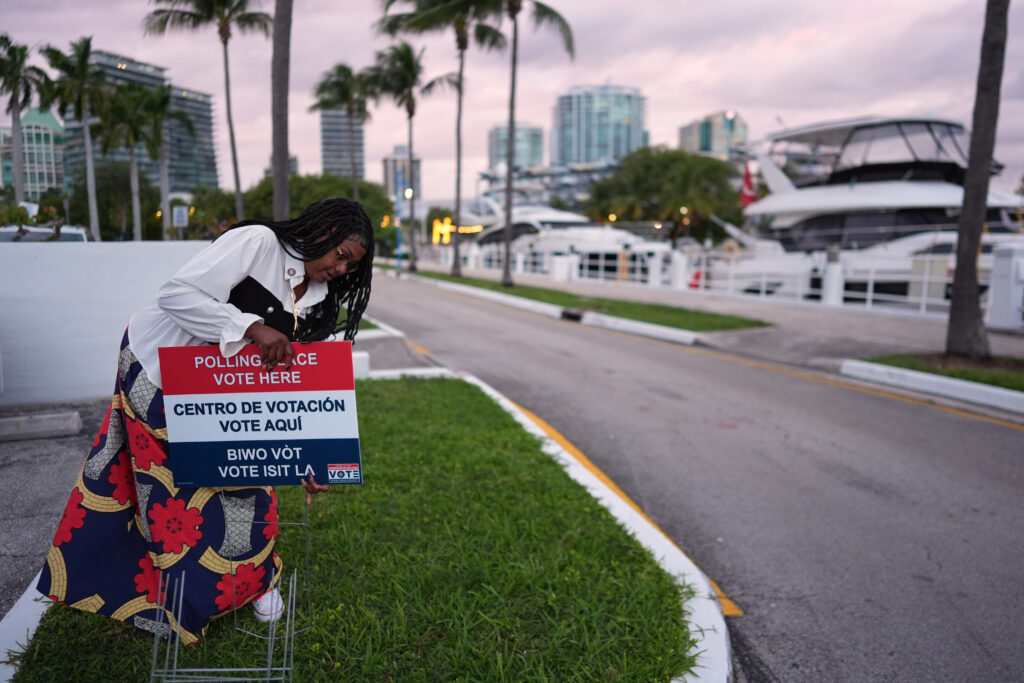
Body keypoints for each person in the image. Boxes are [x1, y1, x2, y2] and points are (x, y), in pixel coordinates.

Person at [37, 197, 375, 644]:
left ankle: (255, 582)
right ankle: (169, 593)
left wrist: (312, 458)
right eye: (341, 256)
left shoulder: (316, 298)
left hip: (225, 394)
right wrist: (252, 326)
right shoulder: (258, 244)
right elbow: (176, 295)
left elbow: (297, 382)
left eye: (349, 267)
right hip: (159, 369)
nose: (340, 269)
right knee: (174, 495)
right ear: (321, 232)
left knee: (248, 475)